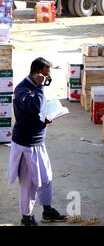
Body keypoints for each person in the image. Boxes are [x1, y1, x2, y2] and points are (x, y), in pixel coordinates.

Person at [7, 58, 67, 226]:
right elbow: (34, 107)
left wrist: (47, 117)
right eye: (45, 75)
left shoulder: (36, 87)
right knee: (29, 183)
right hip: (25, 145)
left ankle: (47, 211)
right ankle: (26, 218)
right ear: (36, 73)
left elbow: (38, 110)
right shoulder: (22, 89)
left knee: (46, 178)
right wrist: (40, 87)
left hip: (38, 142)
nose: (47, 79)